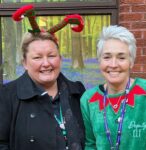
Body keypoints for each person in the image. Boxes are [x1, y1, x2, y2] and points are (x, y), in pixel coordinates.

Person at [0, 5, 85, 150]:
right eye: (37, 57)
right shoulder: (7, 95)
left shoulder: (78, 92)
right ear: (25, 63)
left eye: (51, 56)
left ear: (60, 59)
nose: (46, 63)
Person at [80, 25, 146, 150]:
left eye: (121, 57)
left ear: (131, 62)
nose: (113, 64)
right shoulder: (89, 99)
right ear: (99, 61)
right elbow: (90, 144)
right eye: (107, 57)